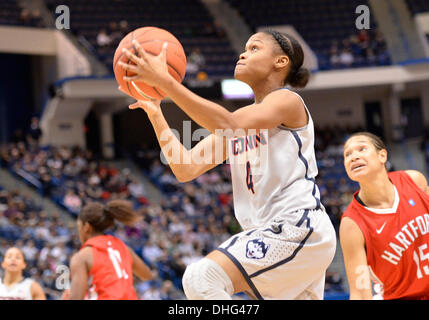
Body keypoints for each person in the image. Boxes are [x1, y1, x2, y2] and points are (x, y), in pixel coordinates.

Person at [119, 29, 336, 300]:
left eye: (254, 48)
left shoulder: (287, 100)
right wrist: (155, 111)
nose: (243, 53)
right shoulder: (242, 119)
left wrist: (168, 83)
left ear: (280, 62)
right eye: (245, 47)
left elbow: (228, 124)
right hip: (274, 234)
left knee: (202, 277)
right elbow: (185, 168)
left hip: (295, 226)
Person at [340, 132, 429, 300]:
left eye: (361, 148)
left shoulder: (415, 181)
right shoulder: (351, 224)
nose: (353, 156)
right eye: (347, 154)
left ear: (382, 155)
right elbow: (360, 293)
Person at [64, 200, 153, 300]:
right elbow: (147, 275)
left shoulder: (82, 257)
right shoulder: (124, 247)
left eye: (79, 227)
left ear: (86, 227)